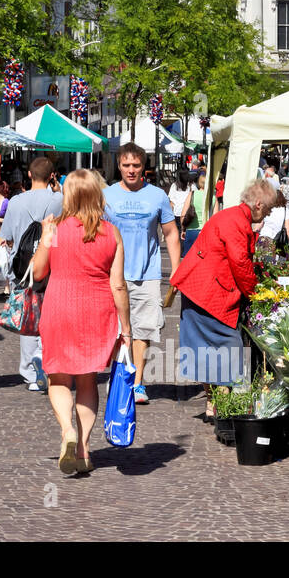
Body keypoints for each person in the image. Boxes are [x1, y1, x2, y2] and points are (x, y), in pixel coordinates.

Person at [33, 170, 131, 476]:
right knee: (88, 381)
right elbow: (118, 285)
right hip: (97, 310)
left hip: (60, 306)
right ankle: (85, 449)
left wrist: (44, 236)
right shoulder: (111, 233)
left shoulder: (56, 228)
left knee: (58, 378)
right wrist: (126, 328)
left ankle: (67, 432)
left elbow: (37, 273)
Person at [171, 177, 274, 411]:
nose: (266, 215)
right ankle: (220, 404)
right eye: (267, 209)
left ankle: (214, 403)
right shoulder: (237, 222)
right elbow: (240, 263)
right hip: (209, 293)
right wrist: (256, 294)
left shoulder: (232, 217)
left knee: (204, 350)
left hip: (199, 289)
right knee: (228, 346)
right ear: (258, 204)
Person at [103, 143, 181, 405]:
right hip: (113, 273)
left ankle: (137, 383)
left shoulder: (157, 195)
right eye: (126, 165)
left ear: (144, 167)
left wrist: (177, 268)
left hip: (147, 272)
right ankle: (119, 377)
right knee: (117, 331)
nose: (131, 170)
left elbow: (170, 233)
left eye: (136, 165)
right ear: (119, 166)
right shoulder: (107, 195)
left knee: (143, 331)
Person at [0, 156, 63, 392]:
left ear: (29, 175)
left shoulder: (16, 201)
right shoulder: (60, 200)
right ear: (52, 176)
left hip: (22, 267)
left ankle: (29, 372)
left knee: (28, 315)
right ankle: (45, 357)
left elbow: (8, 236)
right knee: (50, 315)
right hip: (51, 263)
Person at [183, 173, 207, 256]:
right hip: (206, 232)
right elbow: (215, 217)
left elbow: (183, 214)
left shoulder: (192, 194)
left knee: (188, 261)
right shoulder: (213, 197)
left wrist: (183, 229)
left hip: (191, 230)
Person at [169, 169, 194, 239]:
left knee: (177, 235)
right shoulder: (191, 186)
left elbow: (171, 203)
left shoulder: (174, 186)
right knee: (187, 235)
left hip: (177, 214)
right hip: (188, 214)